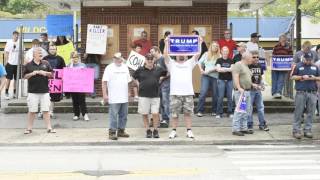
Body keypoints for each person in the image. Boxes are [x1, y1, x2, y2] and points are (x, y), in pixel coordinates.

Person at [163, 37, 201, 139]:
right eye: (179, 53)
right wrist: (166, 43)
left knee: (187, 114)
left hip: (188, 93)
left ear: (186, 55)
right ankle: (174, 131)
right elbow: (165, 55)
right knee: (174, 114)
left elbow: (197, 55)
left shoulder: (189, 63)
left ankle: (189, 131)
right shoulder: (171, 64)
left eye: (183, 53)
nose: (181, 55)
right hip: (175, 93)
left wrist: (200, 42)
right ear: (176, 54)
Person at [133, 53, 167, 138]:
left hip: (155, 95)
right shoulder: (140, 69)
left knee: (155, 113)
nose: (150, 60)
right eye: (148, 59)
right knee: (144, 113)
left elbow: (167, 73)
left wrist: (161, 79)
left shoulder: (159, 69)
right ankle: (148, 130)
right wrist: (138, 84)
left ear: (154, 60)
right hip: (143, 95)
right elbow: (133, 77)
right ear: (145, 60)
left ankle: (155, 130)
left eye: (151, 59)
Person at [23, 47, 55, 134]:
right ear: (34, 54)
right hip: (32, 92)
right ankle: (29, 128)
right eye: (39, 53)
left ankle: (49, 128)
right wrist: (32, 74)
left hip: (45, 91)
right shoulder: (28, 65)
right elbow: (24, 76)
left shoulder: (46, 63)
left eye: (41, 53)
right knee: (32, 111)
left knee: (46, 110)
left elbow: (52, 74)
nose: (41, 54)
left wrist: (45, 73)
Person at [102, 52, 131, 140]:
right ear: (113, 59)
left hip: (124, 96)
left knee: (124, 115)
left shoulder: (125, 67)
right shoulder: (109, 68)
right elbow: (104, 82)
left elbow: (128, 81)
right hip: (113, 97)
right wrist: (105, 94)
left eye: (120, 58)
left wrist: (129, 92)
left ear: (122, 58)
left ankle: (121, 131)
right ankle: (112, 132)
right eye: (116, 58)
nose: (118, 60)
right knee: (113, 115)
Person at [291, 53, 320, 139]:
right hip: (301, 92)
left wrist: (314, 78)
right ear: (303, 58)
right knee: (299, 112)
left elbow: (319, 77)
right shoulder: (298, 66)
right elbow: (292, 77)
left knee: (311, 112)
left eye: (310, 60)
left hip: (312, 92)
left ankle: (308, 130)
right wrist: (301, 77)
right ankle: (296, 130)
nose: (308, 61)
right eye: (307, 60)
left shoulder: (315, 67)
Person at [231, 52, 255, 136]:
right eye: (251, 58)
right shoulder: (238, 64)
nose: (252, 59)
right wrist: (238, 87)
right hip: (241, 91)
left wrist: (253, 85)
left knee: (246, 111)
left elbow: (247, 78)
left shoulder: (246, 66)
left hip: (247, 91)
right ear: (246, 58)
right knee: (240, 110)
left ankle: (243, 128)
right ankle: (236, 129)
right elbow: (235, 76)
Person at [196, 41, 220, 117]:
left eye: (216, 46)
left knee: (215, 94)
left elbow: (217, 67)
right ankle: (200, 111)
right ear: (211, 47)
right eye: (214, 46)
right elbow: (199, 62)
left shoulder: (219, 55)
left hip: (215, 76)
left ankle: (214, 110)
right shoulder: (206, 54)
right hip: (205, 76)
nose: (215, 47)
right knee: (203, 93)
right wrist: (201, 70)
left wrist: (209, 71)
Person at [248, 50, 269, 132]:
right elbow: (245, 79)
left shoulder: (260, 66)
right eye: (254, 57)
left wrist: (262, 84)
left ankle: (262, 124)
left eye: (257, 57)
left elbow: (260, 76)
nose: (256, 58)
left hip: (258, 90)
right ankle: (249, 125)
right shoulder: (248, 66)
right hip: (250, 90)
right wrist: (253, 85)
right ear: (251, 57)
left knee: (260, 108)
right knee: (249, 108)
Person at [42, 44, 66, 118]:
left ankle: (51, 111)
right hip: (46, 80)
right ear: (49, 50)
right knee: (44, 96)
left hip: (56, 82)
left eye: (54, 49)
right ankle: (43, 111)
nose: (52, 50)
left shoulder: (60, 59)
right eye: (51, 49)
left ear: (56, 50)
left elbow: (64, 69)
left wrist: (63, 79)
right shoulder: (44, 59)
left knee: (52, 97)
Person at [151, 46, 170, 128]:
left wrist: (162, 78)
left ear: (157, 51)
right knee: (160, 102)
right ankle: (162, 119)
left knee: (165, 102)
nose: (151, 53)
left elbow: (169, 71)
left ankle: (166, 119)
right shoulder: (155, 60)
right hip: (158, 84)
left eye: (152, 52)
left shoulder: (162, 59)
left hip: (165, 83)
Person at [68, 52, 90, 121]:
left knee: (82, 100)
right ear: (71, 58)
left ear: (79, 58)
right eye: (73, 57)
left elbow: (87, 75)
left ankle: (85, 114)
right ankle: (76, 114)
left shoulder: (83, 65)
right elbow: (68, 74)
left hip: (81, 86)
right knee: (75, 101)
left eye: (76, 57)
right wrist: (71, 64)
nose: (75, 59)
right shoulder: (69, 65)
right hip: (73, 86)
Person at [271, 34, 293, 99]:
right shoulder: (276, 46)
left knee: (281, 80)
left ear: (286, 39)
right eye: (281, 39)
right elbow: (273, 55)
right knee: (274, 79)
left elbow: (291, 56)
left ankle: (278, 92)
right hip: (275, 66)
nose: (283, 40)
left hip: (284, 67)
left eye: (284, 39)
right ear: (279, 40)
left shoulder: (289, 47)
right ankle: (274, 92)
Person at [215, 46, 234, 118]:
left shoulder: (231, 60)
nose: (225, 52)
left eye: (227, 51)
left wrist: (223, 68)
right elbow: (218, 70)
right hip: (221, 80)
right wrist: (227, 69)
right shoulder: (219, 60)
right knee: (220, 96)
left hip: (229, 80)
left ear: (228, 52)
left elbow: (232, 69)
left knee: (229, 96)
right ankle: (219, 113)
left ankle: (230, 112)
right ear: (221, 52)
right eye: (224, 51)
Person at [4, 31, 20, 100]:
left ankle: (14, 93)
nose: (16, 36)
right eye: (15, 35)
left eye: (17, 35)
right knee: (8, 79)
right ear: (13, 35)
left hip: (17, 64)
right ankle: (6, 92)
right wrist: (6, 61)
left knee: (16, 80)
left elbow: (22, 53)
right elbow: (6, 52)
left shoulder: (20, 42)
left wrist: (22, 62)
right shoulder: (9, 42)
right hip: (10, 63)